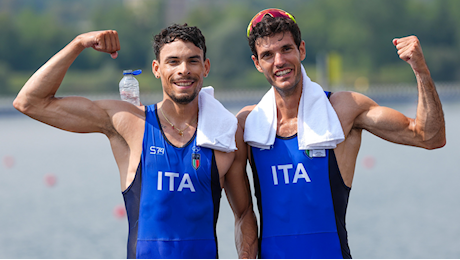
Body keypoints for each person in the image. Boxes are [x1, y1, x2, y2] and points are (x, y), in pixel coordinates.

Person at [13, 24, 258, 259]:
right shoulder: (130, 122)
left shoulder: (225, 136)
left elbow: (244, 212)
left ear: (205, 67)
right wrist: (79, 43)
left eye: (192, 60)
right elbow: (30, 102)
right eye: (173, 61)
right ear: (156, 68)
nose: (184, 69)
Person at [234, 8, 446, 259]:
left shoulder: (344, 110)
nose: (279, 61)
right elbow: (243, 214)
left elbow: (429, 136)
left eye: (286, 49)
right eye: (268, 54)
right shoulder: (247, 125)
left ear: (301, 50)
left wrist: (421, 70)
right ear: (257, 63)